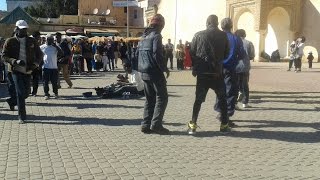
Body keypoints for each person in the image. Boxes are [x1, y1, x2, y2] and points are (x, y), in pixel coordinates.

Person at [187, 14, 230, 135]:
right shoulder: (223, 35)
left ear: (207, 23)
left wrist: (196, 66)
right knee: (222, 99)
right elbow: (227, 53)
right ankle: (224, 125)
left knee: (198, 100)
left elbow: (192, 52)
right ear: (217, 23)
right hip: (217, 73)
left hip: (203, 74)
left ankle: (193, 125)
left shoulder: (198, 35)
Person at [2, 20, 42, 123]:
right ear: (16, 29)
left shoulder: (32, 41)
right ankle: (22, 116)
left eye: (25, 29)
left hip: (28, 70)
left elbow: (40, 54)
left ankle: (11, 101)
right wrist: (15, 61)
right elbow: (4, 56)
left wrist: (35, 64)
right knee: (20, 93)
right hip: (15, 70)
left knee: (26, 93)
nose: (24, 31)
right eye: (21, 29)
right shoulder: (10, 41)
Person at [137, 14, 170, 135]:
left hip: (144, 72)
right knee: (162, 98)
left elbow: (137, 54)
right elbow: (157, 53)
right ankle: (156, 124)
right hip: (154, 71)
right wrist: (164, 68)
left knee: (149, 99)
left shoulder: (143, 37)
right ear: (160, 25)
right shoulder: (156, 35)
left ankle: (145, 125)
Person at [214, 18, 245, 126]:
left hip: (217, 68)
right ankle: (225, 115)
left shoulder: (217, 37)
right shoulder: (236, 38)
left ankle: (220, 111)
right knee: (231, 91)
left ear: (221, 26)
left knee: (220, 90)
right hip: (230, 68)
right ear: (231, 26)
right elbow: (242, 54)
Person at [235, 29, 254, 108]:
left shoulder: (234, 43)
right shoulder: (249, 43)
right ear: (244, 35)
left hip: (235, 67)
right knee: (245, 85)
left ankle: (234, 103)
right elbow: (252, 56)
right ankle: (245, 103)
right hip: (245, 67)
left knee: (235, 85)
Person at [40, 35, 63, 100]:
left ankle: (55, 93)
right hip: (45, 67)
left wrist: (56, 46)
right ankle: (46, 94)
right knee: (45, 82)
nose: (50, 41)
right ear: (46, 40)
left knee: (54, 82)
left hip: (54, 68)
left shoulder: (55, 47)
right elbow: (38, 55)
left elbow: (61, 54)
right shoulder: (42, 47)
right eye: (49, 39)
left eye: (52, 39)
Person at [30, 31, 42, 96]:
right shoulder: (29, 42)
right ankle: (28, 90)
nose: (39, 38)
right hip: (28, 64)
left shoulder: (37, 43)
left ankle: (34, 92)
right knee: (28, 78)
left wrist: (38, 63)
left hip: (36, 64)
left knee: (35, 79)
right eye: (38, 37)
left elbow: (40, 54)